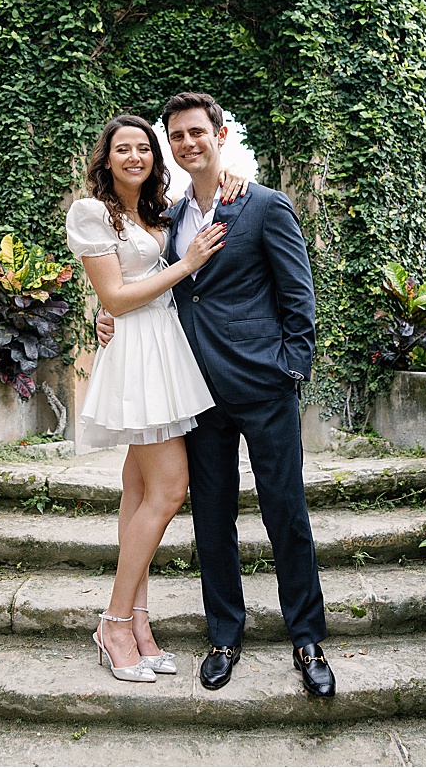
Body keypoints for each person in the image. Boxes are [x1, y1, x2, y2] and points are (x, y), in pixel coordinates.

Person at [97, 92, 333, 698]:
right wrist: (110, 318)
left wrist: (289, 368)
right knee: (212, 520)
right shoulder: (170, 218)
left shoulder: (264, 206)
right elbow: (145, 286)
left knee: (287, 513)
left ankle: (306, 636)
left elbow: (298, 300)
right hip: (197, 390)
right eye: (176, 137)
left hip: (264, 387)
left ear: (220, 135)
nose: (186, 144)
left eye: (197, 133)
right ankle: (224, 634)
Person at [65, 113, 241, 683]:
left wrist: (230, 175)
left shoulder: (157, 212)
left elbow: (129, 278)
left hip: (166, 348)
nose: (135, 156)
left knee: (138, 490)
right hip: (139, 353)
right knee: (170, 489)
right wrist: (185, 265)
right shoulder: (92, 212)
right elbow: (114, 297)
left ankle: (139, 623)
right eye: (123, 149)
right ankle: (113, 622)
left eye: (144, 147)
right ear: (107, 158)